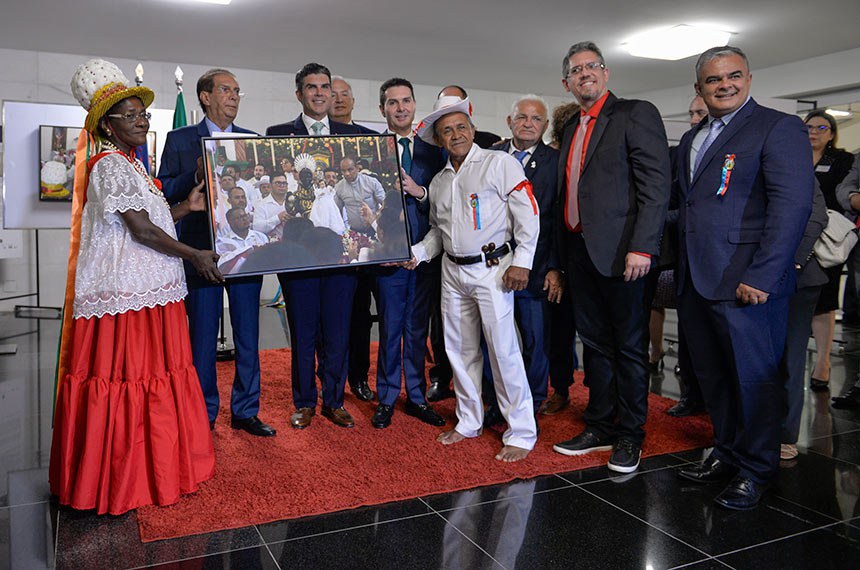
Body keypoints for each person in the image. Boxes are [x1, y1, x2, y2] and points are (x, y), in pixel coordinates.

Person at [51, 59, 219, 515]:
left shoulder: (134, 166)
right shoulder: (109, 165)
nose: (142, 120)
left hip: (152, 290)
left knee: (156, 381)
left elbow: (151, 221)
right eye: (131, 115)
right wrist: (195, 256)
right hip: (127, 300)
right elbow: (141, 232)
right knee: (130, 383)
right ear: (108, 124)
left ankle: (159, 467)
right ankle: (128, 479)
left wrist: (185, 206)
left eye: (143, 114)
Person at [674, 46, 813, 510]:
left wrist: (765, 274)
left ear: (749, 79)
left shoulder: (778, 127)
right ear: (699, 89)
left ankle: (757, 469)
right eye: (713, 80)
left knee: (754, 380)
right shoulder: (694, 137)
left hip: (748, 282)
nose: (724, 85)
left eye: (734, 76)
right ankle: (728, 453)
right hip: (698, 278)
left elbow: (792, 207)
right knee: (715, 377)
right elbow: (694, 205)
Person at [551, 42, 670, 475]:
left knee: (630, 347)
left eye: (592, 66)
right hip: (580, 251)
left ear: (605, 73)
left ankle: (630, 435)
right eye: (576, 69)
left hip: (624, 253)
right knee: (595, 345)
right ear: (566, 82)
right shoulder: (571, 127)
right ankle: (599, 424)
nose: (585, 73)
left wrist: (644, 246)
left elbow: (655, 186)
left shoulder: (635, 113)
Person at [410, 96, 540, 462]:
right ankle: (469, 420)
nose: (456, 135)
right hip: (452, 272)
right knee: (459, 350)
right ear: (438, 140)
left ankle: (522, 432)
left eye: (461, 127)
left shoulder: (500, 163)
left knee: (503, 351)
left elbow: (528, 214)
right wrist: (418, 254)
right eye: (447, 131)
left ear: (472, 127)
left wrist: (523, 262)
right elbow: (438, 231)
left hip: (493, 270)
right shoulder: (438, 182)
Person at [158, 68, 276, 437]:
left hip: (244, 249)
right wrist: (194, 176)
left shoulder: (251, 141)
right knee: (203, 338)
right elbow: (163, 190)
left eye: (238, 91)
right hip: (199, 252)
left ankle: (246, 410)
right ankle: (204, 411)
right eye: (226, 90)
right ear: (205, 97)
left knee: (247, 335)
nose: (234, 96)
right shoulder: (180, 139)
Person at [266, 63, 365, 428]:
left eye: (326, 87)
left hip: (338, 256)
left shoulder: (354, 137)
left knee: (338, 331)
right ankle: (305, 401)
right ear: (300, 94)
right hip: (300, 254)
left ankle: (335, 400)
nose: (321, 93)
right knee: (303, 331)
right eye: (312, 87)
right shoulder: (277, 135)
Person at [370, 77, 446, 429]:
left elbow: (445, 201)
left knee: (418, 329)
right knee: (390, 328)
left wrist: (420, 191)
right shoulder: (370, 150)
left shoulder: (435, 151)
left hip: (425, 255)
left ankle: (415, 396)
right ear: (383, 108)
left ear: (415, 105)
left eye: (406, 101)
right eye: (392, 102)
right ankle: (386, 397)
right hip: (387, 257)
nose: (400, 108)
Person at [482, 95, 562, 425]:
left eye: (536, 119)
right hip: (492, 268)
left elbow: (557, 218)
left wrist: (557, 267)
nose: (529, 123)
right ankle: (494, 400)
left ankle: (532, 400)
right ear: (509, 121)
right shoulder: (490, 156)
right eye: (522, 117)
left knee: (534, 339)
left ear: (545, 126)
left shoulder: (556, 162)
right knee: (494, 339)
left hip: (538, 267)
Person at [804, 109, 855, 391]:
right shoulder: (792, 157)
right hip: (796, 236)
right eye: (809, 127)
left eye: (821, 128)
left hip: (826, 237)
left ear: (832, 133)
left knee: (824, 300)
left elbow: (842, 196)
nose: (813, 132)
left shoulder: (843, 160)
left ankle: (822, 362)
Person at [334, 156, 386, 234]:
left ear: (357, 168)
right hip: (354, 231)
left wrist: (376, 217)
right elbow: (336, 210)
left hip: (375, 228)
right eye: (343, 171)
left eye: (350, 169)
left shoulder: (372, 182)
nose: (347, 174)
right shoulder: (339, 187)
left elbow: (385, 203)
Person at [216, 207, 269, 274]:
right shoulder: (225, 243)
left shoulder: (261, 237)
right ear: (230, 222)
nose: (244, 219)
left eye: (245, 216)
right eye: (239, 217)